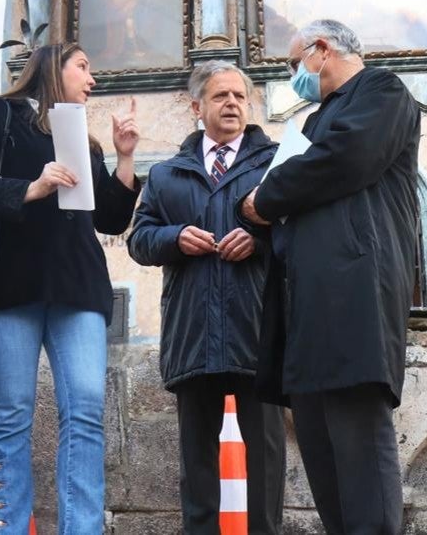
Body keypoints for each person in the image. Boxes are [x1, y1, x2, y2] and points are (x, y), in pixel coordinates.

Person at [0, 43, 141, 534]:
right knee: (11, 414)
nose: (92, 79)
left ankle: (82, 529)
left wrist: (124, 157)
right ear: (52, 68)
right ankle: (9, 528)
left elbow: (111, 218)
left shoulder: (83, 138)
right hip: (10, 285)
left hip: (77, 287)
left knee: (86, 413)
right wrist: (30, 188)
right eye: (84, 65)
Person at [239, 19, 421, 534]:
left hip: (354, 291)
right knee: (321, 450)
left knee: (360, 446)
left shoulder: (382, 90)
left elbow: (344, 159)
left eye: (293, 63)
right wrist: (254, 204)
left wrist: (265, 198)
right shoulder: (315, 119)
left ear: (321, 51)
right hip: (307, 302)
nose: (292, 74)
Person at [128, 61, 286, 534]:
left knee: (265, 470)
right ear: (197, 107)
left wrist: (258, 243)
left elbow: (299, 234)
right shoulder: (166, 174)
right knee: (197, 474)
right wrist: (175, 237)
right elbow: (139, 241)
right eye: (221, 96)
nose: (233, 104)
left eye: (240, 95)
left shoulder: (276, 165)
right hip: (192, 335)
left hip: (257, 333)